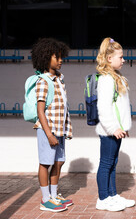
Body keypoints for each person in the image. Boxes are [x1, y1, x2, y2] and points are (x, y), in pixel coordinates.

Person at [32, 38, 73, 212]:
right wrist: (49, 134)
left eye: (61, 56)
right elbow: (40, 110)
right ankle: (45, 199)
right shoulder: (43, 81)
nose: (61, 60)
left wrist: (65, 130)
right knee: (45, 163)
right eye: (57, 57)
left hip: (59, 130)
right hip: (47, 130)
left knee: (59, 162)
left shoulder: (60, 80)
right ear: (45, 58)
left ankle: (54, 195)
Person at [95, 37, 135, 212]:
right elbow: (103, 108)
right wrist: (113, 128)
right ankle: (103, 198)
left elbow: (120, 107)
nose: (124, 60)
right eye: (121, 56)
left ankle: (112, 195)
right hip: (109, 131)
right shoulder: (106, 79)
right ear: (109, 58)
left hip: (117, 130)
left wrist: (122, 127)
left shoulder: (116, 77)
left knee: (112, 163)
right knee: (106, 163)